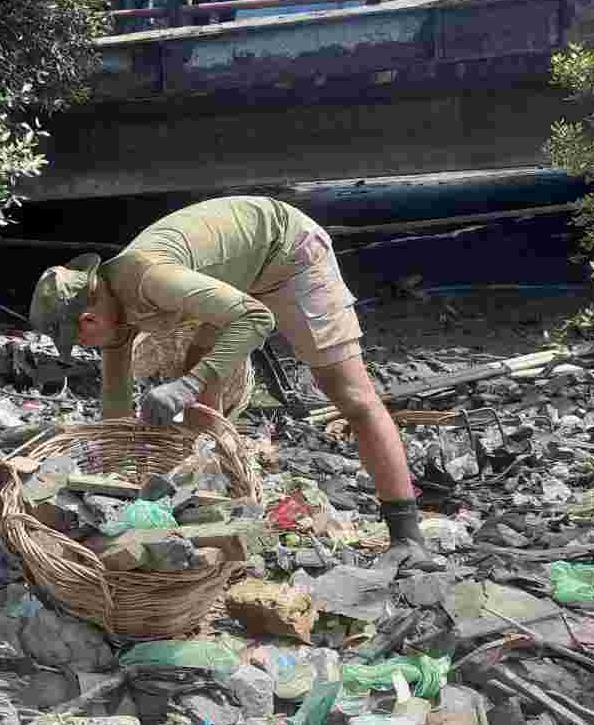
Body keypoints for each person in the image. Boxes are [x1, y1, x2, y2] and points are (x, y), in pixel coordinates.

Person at [29, 197, 438, 567]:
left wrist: (185, 387)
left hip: (290, 251)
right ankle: (209, 498)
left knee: (350, 395)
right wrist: (113, 484)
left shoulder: (150, 279)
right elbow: (115, 404)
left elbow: (256, 318)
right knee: (198, 364)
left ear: (88, 319)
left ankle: (407, 537)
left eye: (77, 340)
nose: (82, 347)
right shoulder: (112, 315)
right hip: (241, 272)